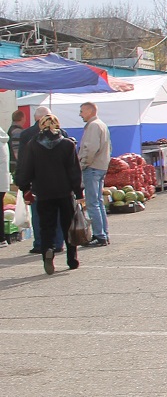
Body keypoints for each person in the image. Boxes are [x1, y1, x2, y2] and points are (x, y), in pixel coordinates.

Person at [14, 113, 84, 274]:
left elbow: (26, 169)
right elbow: (74, 171)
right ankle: (72, 258)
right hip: (64, 192)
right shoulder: (67, 144)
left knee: (46, 226)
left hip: (43, 192)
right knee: (68, 226)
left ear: (41, 126)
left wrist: (25, 188)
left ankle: (47, 250)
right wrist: (79, 192)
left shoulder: (33, 145)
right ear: (57, 126)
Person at [77, 101, 112, 247]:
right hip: (100, 166)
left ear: (90, 111)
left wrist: (82, 164)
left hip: (92, 167)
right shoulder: (101, 124)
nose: (80, 114)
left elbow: (90, 148)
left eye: (82, 111)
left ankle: (99, 235)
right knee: (98, 202)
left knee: (92, 203)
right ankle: (103, 233)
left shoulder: (93, 126)